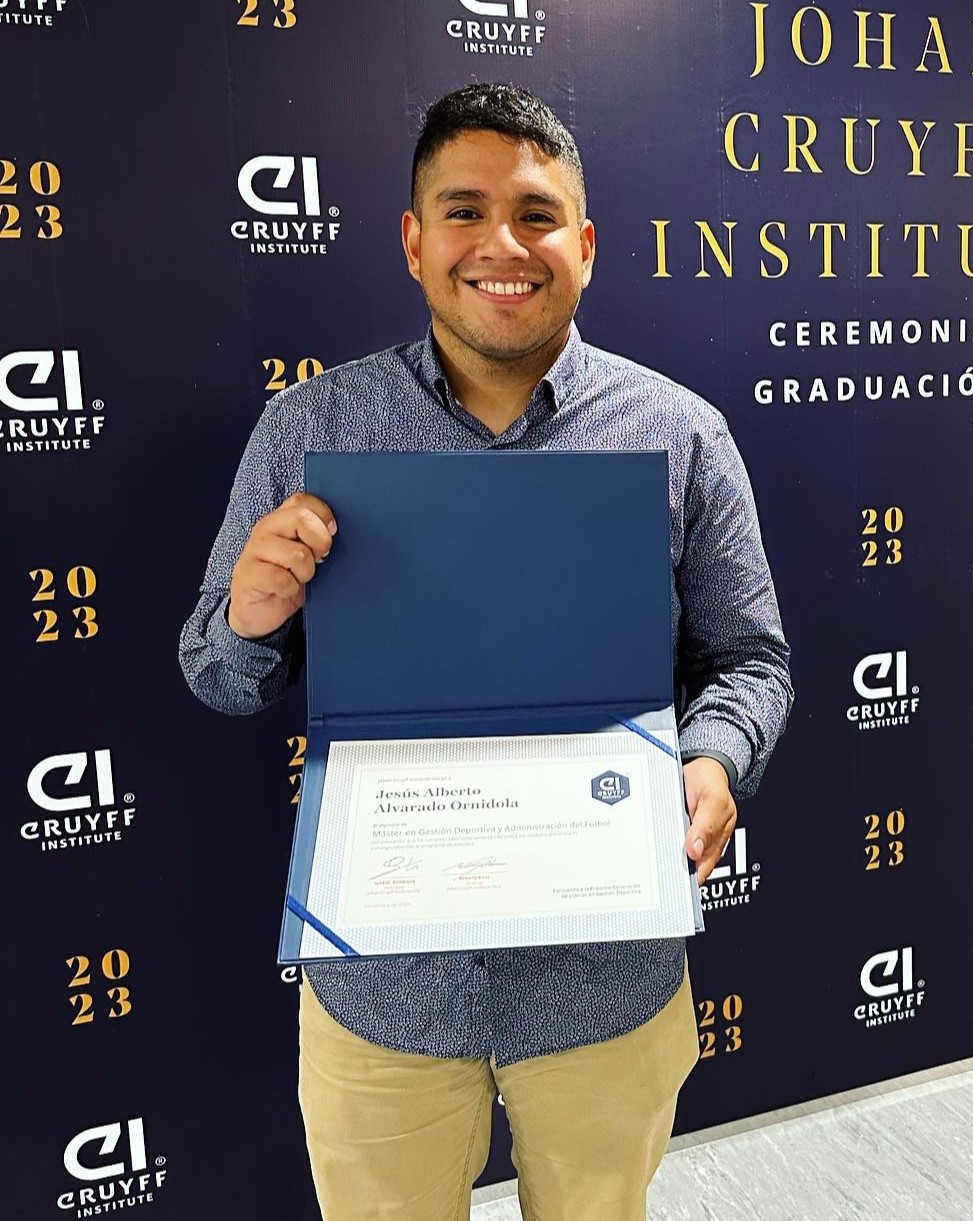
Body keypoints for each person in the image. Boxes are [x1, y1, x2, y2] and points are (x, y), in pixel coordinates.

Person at [180, 81, 792, 1221]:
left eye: (536, 215)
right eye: (463, 211)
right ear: (414, 241)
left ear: (585, 246)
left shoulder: (681, 432)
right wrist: (249, 620)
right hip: (385, 988)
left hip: (605, 980)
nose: (501, 245)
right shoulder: (311, 427)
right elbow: (214, 675)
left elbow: (750, 660)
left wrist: (714, 759)